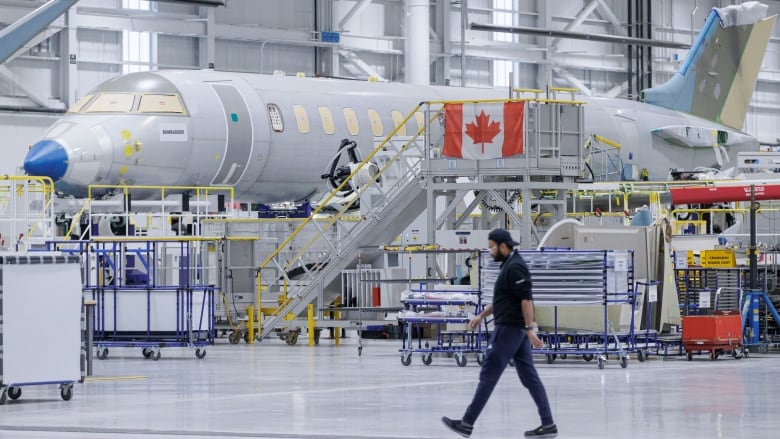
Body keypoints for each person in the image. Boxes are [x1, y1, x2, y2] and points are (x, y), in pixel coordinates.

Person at [442, 228, 557, 438]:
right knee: (529, 377)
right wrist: (480, 316)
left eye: (492, 247)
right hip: (515, 329)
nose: (490, 251)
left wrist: (530, 328)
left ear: (503, 246)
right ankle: (548, 424)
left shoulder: (516, 267)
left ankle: (467, 423)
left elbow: (526, 300)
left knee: (489, 374)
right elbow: (502, 300)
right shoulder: (508, 265)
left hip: (510, 329)